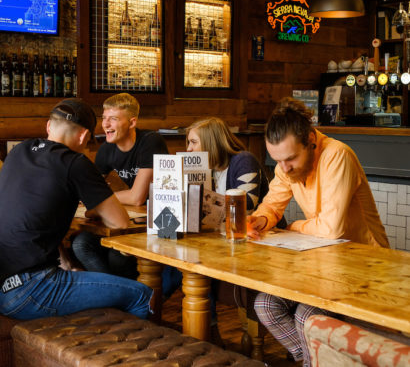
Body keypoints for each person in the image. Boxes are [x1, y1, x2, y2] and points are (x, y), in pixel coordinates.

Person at [247, 97, 389, 367]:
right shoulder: (286, 166)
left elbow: (331, 229)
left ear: (310, 139)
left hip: (365, 266)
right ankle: (312, 359)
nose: (285, 169)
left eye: (290, 159)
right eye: (278, 161)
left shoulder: (337, 155)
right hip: (323, 264)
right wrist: (261, 221)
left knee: (306, 316)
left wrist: (291, 227)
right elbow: (272, 205)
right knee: (265, 305)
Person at [0, 98, 152, 321]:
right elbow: (119, 222)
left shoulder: (18, 151)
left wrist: (68, 264)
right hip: (32, 290)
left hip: (5, 286)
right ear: (83, 136)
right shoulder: (75, 162)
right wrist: (95, 209)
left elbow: (33, 219)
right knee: (142, 295)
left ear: (48, 126)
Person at [186, 117, 287, 344]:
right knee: (191, 266)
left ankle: (211, 334)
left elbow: (245, 206)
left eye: (193, 142)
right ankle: (208, 332)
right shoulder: (208, 170)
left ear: (211, 143)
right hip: (229, 244)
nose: (188, 149)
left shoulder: (243, 160)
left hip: (264, 243)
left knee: (198, 267)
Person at [71, 93, 180, 295]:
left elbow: (137, 196)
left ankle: (127, 298)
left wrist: (101, 200)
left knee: (117, 255)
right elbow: (90, 191)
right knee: (81, 243)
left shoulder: (150, 141)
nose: (106, 124)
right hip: (127, 221)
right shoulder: (106, 149)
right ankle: (116, 297)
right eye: (104, 118)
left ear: (132, 122)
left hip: (158, 224)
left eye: (113, 118)